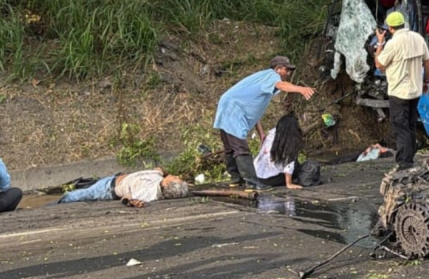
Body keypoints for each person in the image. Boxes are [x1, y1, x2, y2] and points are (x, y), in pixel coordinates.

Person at [214, 56, 315, 191]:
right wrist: (301, 89)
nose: (288, 74)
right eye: (287, 70)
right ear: (278, 69)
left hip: (227, 107)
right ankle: (252, 183)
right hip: (234, 110)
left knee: (230, 147)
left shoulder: (262, 80)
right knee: (240, 148)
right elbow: (281, 85)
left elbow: (254, 111)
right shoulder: (271, 76)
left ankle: (236, 179)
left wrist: (260, 132)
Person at [375, 11, 429, 169]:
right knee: (411, 124)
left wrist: (380, 43)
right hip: (415, 91)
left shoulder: (393, 43)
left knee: (401, 127)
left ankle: (404, 163)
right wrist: (426, 81)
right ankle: (410, 157)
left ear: (390, 28)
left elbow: (379, 64)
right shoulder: (418, 38)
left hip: (399, 92)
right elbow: (428, 63)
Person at [58, 167, 190, 207]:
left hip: (106, 189)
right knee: (81, 185)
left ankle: (54, 203)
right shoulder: (160, 179)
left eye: (176, 178)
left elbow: (127, 198)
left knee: (72, 196)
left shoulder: (149, 192)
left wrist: (132, 202)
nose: (177, 175)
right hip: (116, 177)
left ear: (168, 184)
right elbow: (159, 169)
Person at [254, 114, 305, 190]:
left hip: (256, 175)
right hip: (269, 179)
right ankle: (289, 180)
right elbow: (289, 163)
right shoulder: (288, 140)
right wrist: (289, 184)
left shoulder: (271, 135)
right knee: (296, 165)